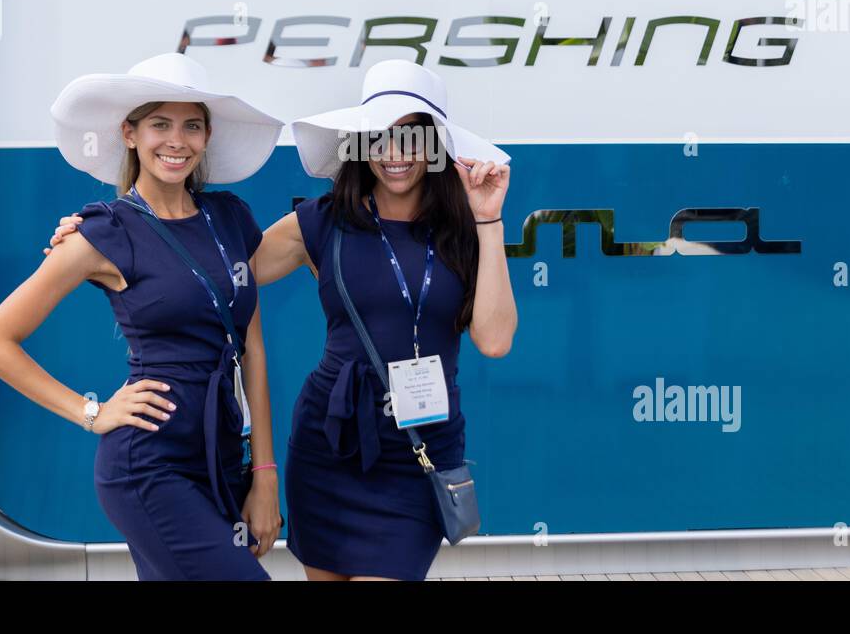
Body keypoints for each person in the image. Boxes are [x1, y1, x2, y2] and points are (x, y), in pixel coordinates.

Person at [48, 59, 518, 580]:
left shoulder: (466, 230)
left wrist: (490, 219)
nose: (395, 155)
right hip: (329, 446)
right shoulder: (324, 221)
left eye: (413, 138)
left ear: (437, 147)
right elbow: (216, 273)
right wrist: (103, 239)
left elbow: (495, 340)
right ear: (359, 143)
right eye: (379, 137)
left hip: (419, 450)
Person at [0, 52, 284, 580]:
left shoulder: (230, 217)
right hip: (149, 462)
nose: (176, 141)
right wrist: (90, 413)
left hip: (224, 451)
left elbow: (251, 349)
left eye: (191, 126)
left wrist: (265, 474)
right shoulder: (103, 232)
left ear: (207, 136)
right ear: (130, 133)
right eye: (159, 123)